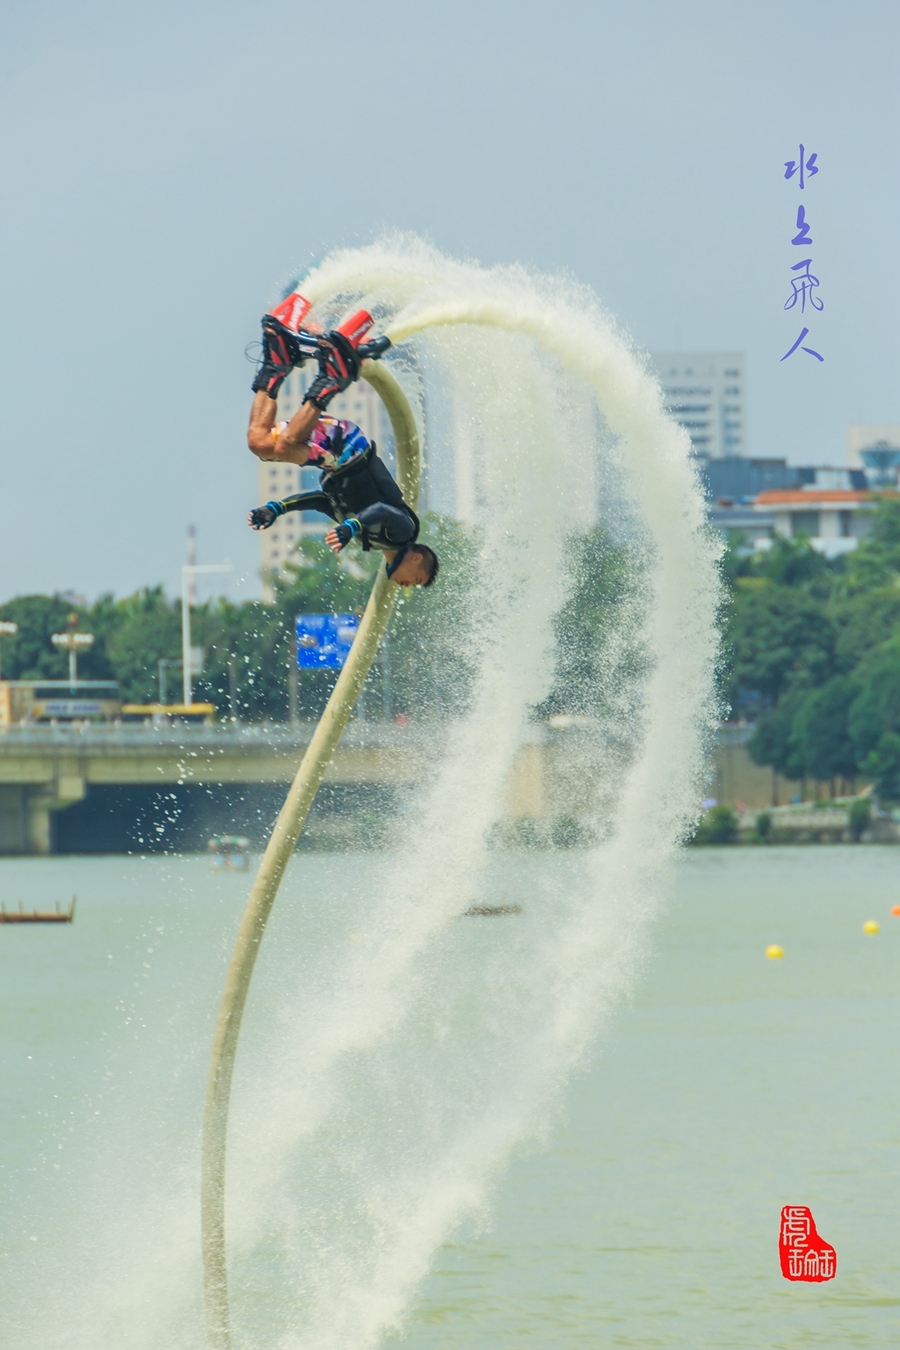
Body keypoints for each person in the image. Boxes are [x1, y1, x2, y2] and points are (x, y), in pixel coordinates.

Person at [246, 293, 439, 588]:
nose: (408, 584)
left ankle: (275, 366)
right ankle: (333, 378)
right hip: (350, 451)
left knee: (259, 443)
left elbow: (323, 502)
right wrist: (352, 526)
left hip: (334, 464)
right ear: (416, 558)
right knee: (284, 446)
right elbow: (382, 511)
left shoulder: (369, 541)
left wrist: (277, 508)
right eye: (418, 579)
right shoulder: (404, 532)